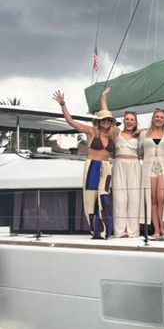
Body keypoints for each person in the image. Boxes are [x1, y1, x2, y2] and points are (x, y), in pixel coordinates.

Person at [52, 89, 117, 239]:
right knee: (90, 199)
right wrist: (63, 104)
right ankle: (96, 231)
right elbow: (71, 121)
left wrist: (104, 98)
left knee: (104, 196)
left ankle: (107, 230)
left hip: (107, 168)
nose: (106, 122)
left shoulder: (114, 133)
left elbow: (108, 113)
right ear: (99, 122)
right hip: (92, 166)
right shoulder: (91, 131)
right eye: (103, 120)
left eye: (108, 120)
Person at [99, 89, 142, 238]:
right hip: (119, 165)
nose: (129, 121)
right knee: (119, 198)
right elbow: (106, 116)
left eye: (132, 120)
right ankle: (120, 230)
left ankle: (133, 231)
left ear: (136, 122)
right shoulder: (116, 132)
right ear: (123, 121)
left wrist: (141, 131)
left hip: (135, 166)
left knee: (134, 198)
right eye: (127, 119)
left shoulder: (140, 135)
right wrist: (104, 98)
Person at [138, 109, 164, 239]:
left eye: (162, 117)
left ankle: (163, 227)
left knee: (162, 198)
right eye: (157, 117)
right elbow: (139, 151)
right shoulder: (144, 134)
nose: (159, 119)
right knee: (152, 199)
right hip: (148, 167)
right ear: (153, 118)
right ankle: (156, 230)